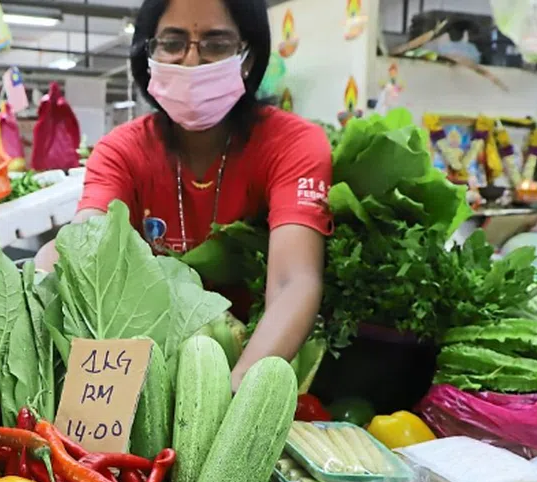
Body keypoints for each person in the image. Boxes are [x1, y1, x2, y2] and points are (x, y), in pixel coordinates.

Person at [35, 0, 332, 389]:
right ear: (149, 53)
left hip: (260, 356)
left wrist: (237, 390)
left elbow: (294, 281)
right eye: (172, 42)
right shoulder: (122, 150)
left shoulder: (292, 144)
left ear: (248, 56)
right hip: (150, 369)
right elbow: (86, 239)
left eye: (216, 43)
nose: (191, 61)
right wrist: (48, 267)